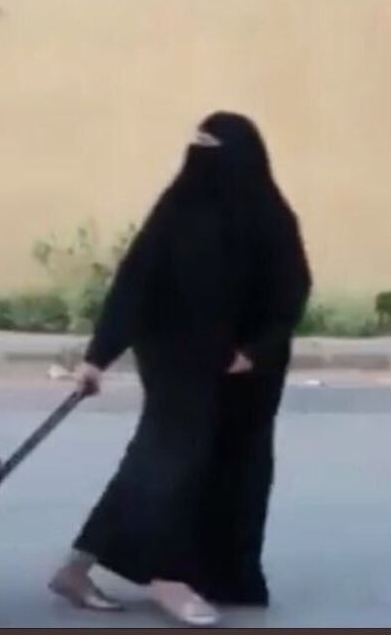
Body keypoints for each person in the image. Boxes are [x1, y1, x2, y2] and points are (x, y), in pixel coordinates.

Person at [49, 111, 312, 626]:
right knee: (175, 462)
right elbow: (135, 284)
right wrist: (97, 358)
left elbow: (290, 293)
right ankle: (170, 578)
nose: (202, 165)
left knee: (230, 470)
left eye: (214, 152)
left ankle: (80, 568)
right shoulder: (177, 211)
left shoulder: (271, 217)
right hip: (176, 356)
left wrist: (255, 351)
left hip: (248, 372)